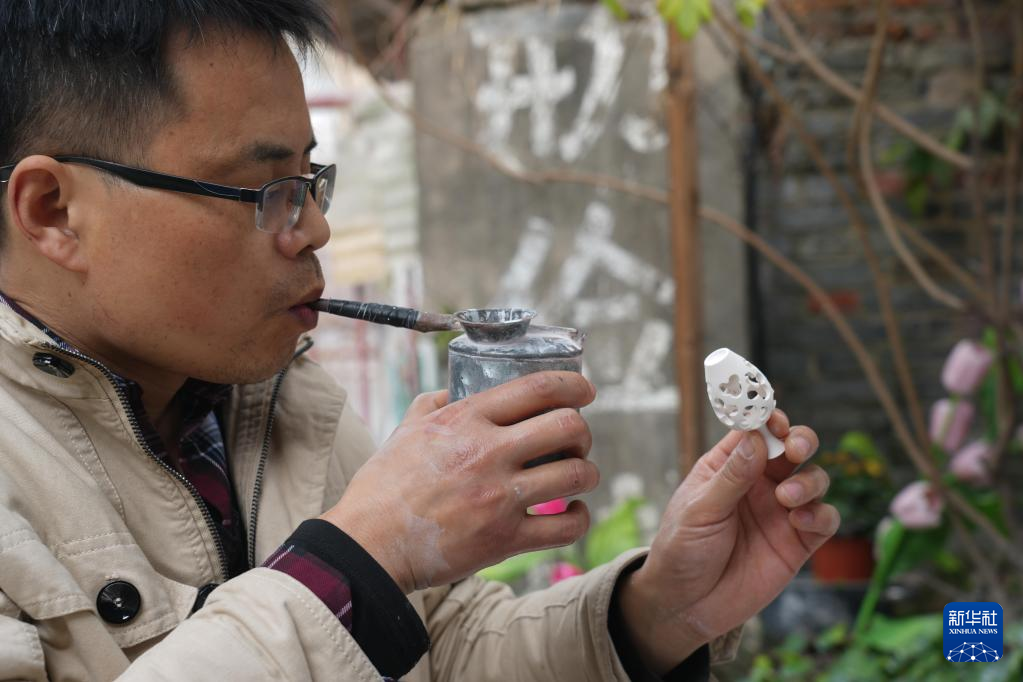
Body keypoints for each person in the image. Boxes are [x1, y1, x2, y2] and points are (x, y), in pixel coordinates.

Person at [0, 2, 839, 680]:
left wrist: (654, 614)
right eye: (262, 190)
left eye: (309, 181)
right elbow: (359, 587)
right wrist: (358, 561)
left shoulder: (277, 404)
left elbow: (443, 654)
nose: (314, 228)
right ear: (53, 212)